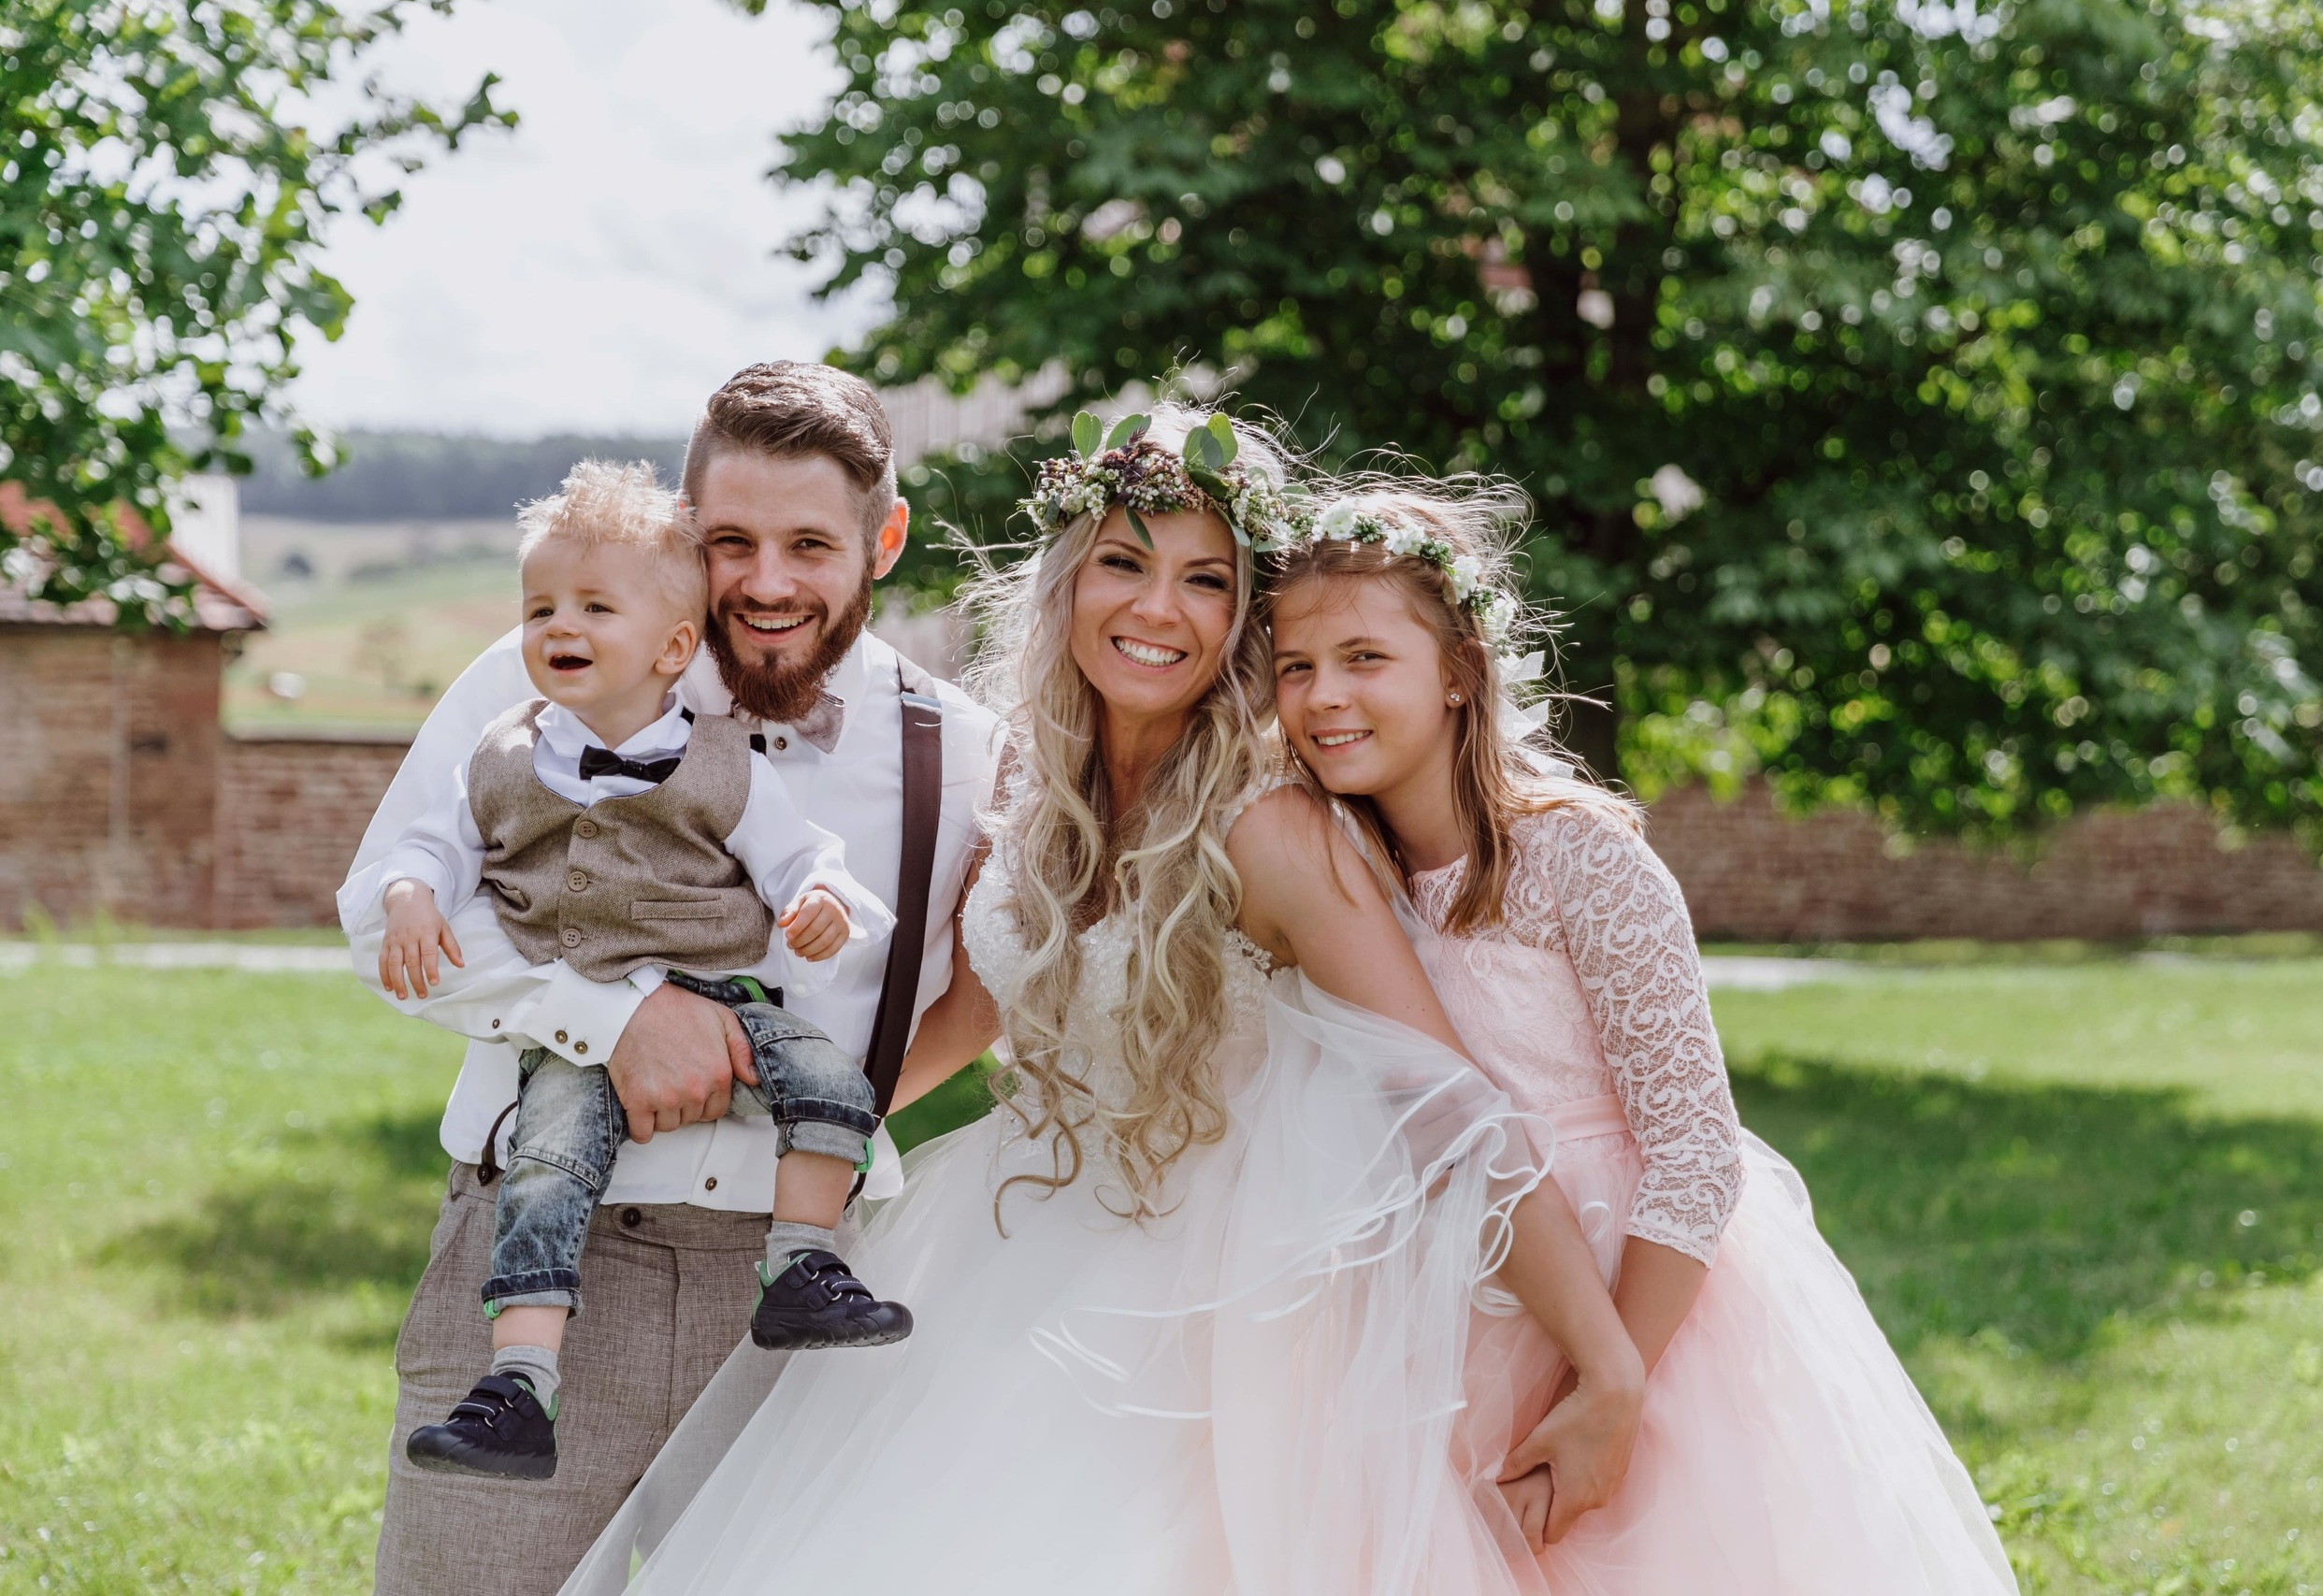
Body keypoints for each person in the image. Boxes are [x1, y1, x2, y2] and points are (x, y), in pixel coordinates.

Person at [553, 406, 1647, 1596]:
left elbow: (1449, 1103)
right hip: (1005, 1241)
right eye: (1123, 562)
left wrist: (1608, 1366)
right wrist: (805, 1133)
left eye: (1205, 580)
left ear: (1243, 618)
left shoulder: (1272, 829)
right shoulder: (1029, 776)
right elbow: (977, 1013)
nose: (1155, 609)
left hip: (1198, 1309)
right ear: (1069, 580)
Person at [1262, 481, 2022, 1591]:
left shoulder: (1583, 860)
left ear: (1460, 675)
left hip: (1645, 1309)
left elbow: (1697, 1151)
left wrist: (1608, 1386)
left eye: (1364, 659)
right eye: (1294, 667)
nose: (1323, 696)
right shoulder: (1341, 875)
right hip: (1444, 1308)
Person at [337, 364, 1001, 1596]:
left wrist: (840, 1125)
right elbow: (380, 908)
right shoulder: (555, 662)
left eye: (810, 541)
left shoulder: (959, 753)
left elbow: (1003, 980)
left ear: (884, 537)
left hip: (796, 1302)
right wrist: (609, 1017)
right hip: (535, 1269)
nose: (764, 578)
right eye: (730, 538)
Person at [366, 459, 908, 1485]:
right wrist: (409, 894)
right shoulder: (502, 750)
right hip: (583, 1014)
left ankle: (800, 1263)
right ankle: (518, 1381)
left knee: (835, 1088)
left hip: (730, 999)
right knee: (548, 1166)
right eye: (540, 608)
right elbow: (429, 848)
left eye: (590, 608)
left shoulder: (723, 761)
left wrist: (827, 903)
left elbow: (800, 856)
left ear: (670, 644)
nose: (556, 627)